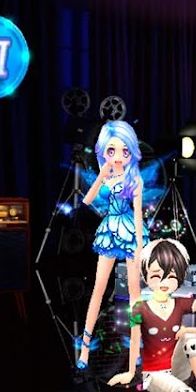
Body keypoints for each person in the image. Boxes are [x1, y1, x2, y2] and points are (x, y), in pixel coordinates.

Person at [109, 239, 196, 392]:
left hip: (177, 368)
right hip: (153, 374)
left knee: (191, 337)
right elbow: (135, 341)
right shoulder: (139, 308)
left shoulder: (181, 303)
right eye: (156, 276)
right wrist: (131, 372)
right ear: (146, 276)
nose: (164, 283)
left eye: (171, 276)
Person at [76, 120, 146, 370]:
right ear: (103, 152)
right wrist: (101, 176)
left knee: (135, 294)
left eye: (124, 151)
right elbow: (87, 201)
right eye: (111, 150)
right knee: (98, 288)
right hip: (109, 229)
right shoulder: (106, 177)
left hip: (129, 230)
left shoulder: (135, 180)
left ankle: (136, 350)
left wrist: (139, 245)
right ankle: (85, 350)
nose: (118, 156)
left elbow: (138, 215)